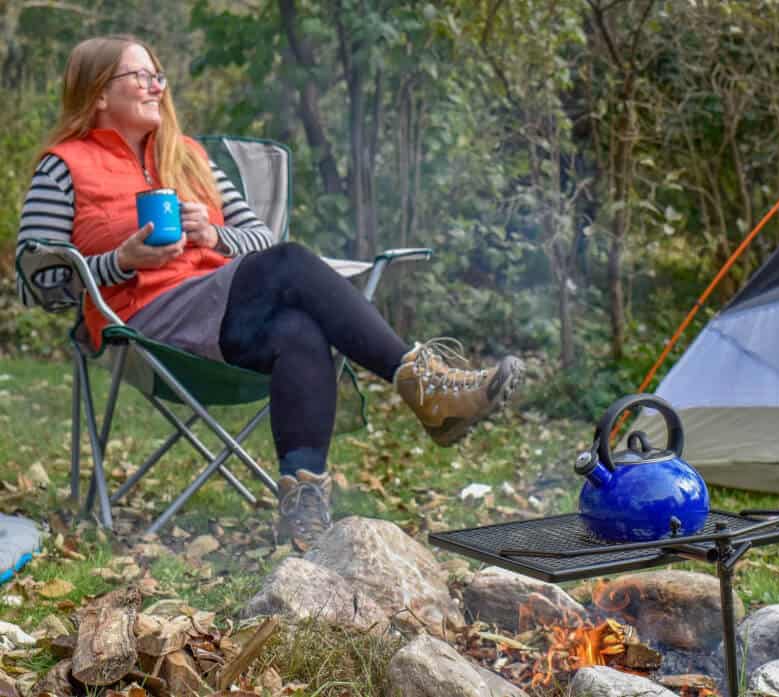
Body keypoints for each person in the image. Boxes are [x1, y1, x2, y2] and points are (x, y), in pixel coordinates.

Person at [15, 35, 524, 551]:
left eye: (158, 76)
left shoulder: (188, 157)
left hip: (220, 315)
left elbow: (259, 237)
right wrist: (121, 261)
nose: (155, 87)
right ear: (99, 93)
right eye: (139, 77)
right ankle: (425, 385)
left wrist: (214, 236)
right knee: (292, 263)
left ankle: (304, 509)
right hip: (147, 323)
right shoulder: (65, 165)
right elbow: (38, 282)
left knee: (298, 330)